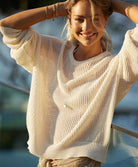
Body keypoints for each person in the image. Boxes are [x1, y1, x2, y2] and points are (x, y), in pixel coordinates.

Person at [0, 0, 138, 166]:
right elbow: (8, 27)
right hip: (45, 160)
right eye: (79, 19)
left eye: (95, 19)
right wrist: (56, 9)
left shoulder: (116, 68)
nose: (87, 27)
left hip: (80, 162)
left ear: (105, 20)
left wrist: (112, 4)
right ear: (70, 20)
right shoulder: (52, 51)